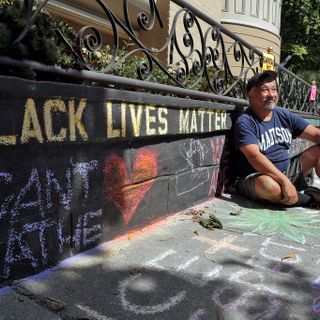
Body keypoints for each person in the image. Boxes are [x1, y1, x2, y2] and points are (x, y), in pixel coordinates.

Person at [233, 71, 320, 207]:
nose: (272, 94)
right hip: (256, 177)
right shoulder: (245, 122)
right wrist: (284, 181)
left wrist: (285, 178)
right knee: (267, 185)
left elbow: (315, 135)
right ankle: (310, 199)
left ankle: (293, 194)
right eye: (264, 90)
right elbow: (254, 157)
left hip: (286, 172)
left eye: (274, 89)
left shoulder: (283, 115)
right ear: (250, 95)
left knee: (318, 151)